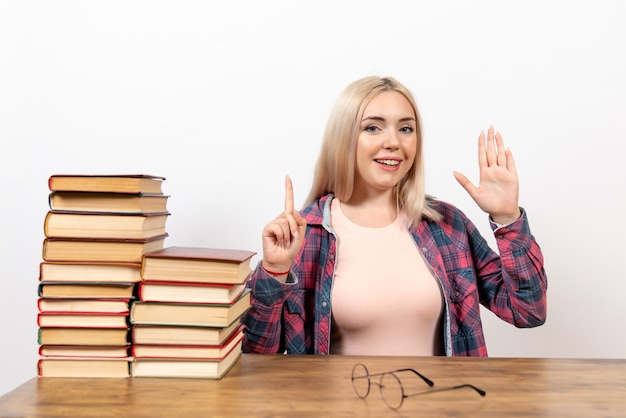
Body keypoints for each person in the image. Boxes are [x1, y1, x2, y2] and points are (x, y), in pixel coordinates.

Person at [241, 76, 547, 357]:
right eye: (373, 127)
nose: (394, 142)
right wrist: (274, 271)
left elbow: (527, 311)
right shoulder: (304, 235)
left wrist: (507, 218)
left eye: (406, 128)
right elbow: (254, 353)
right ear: (343, 138)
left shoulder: (447, 226)